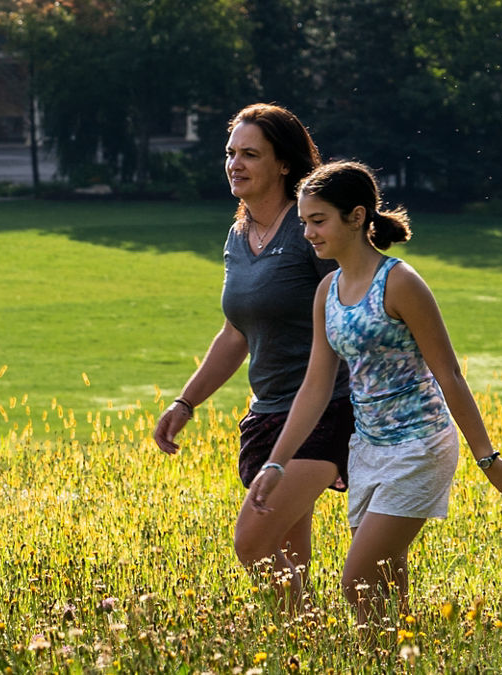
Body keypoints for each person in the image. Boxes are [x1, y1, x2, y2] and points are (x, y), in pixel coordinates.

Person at [248, 161, 502, 626]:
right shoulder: (328, 291)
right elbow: (316, 387)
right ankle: (396, 657)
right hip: (368, 448)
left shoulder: (400, 282)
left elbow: (451, 375)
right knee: (384, 581)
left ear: (357, 217)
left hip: (419, 446)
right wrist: (277, 463)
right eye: (304, 222)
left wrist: (488, 459)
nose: (308, 234)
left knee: (357, 581)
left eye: (318, 221)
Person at [149, 104, 355, 609]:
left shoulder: (309, 230)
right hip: (267, 416)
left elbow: (362, 301)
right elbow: (235, 333)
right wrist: (185, 403)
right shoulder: (239, 237)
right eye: (230, 153)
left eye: (250, 154)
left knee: (253, 542)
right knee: (289, 560)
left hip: (323, 412)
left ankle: (321, 639)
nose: (234, 164)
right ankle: (305, 651)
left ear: (283, 163)